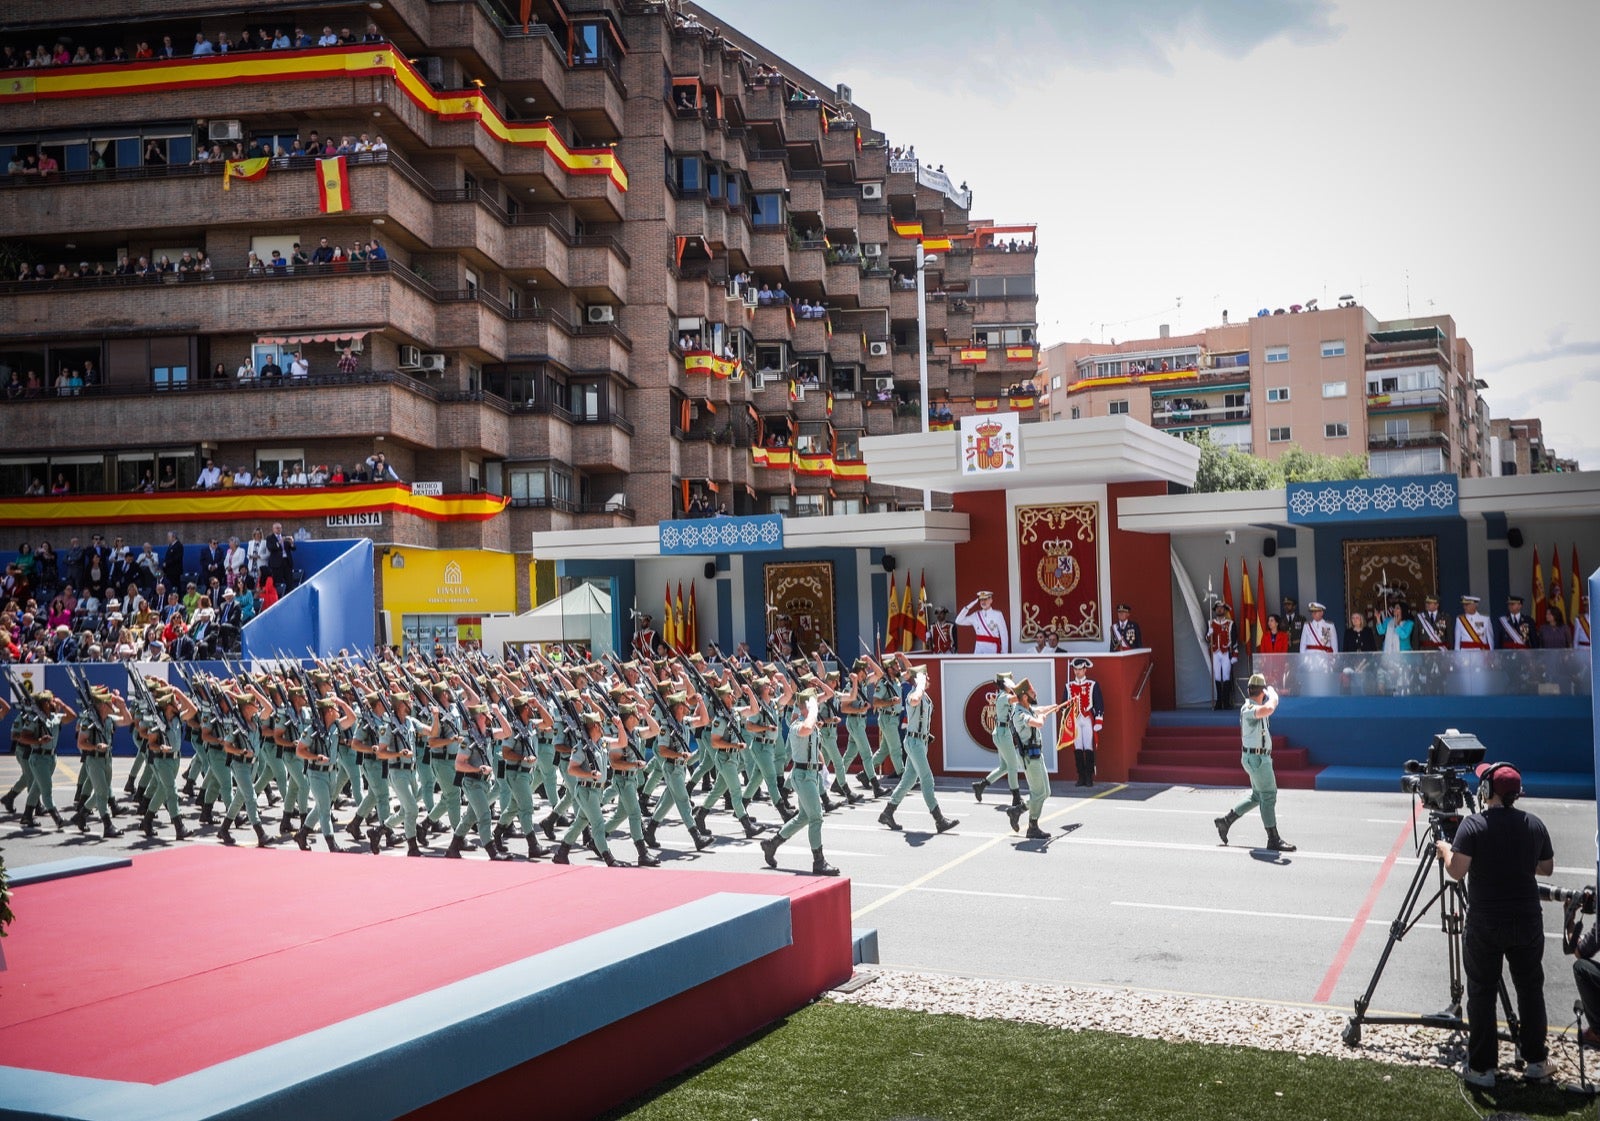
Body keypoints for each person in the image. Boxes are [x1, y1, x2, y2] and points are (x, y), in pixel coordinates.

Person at [1436, 762, 1554, 1086]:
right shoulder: (1534, 824)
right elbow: (1546, 867)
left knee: (1482, 993)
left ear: (1487, 791)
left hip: (1486, 922)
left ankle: (1482, 1069)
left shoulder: (1473, 826)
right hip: (1528, 920)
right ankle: (1536, 1061)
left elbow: (1456, 871)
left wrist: (1446, 849)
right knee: (1530, 989)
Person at [1213, 673, 1294, 852]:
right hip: (1257, 759)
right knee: (1268, 795)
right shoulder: (1249, 708)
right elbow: (1269, 709)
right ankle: (1273, 838)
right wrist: (1274, 697)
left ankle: (1226, 822)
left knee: (1257, 796)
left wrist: (1268, 698)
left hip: (1256, 758)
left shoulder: (1255, 705)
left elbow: (1265, 711)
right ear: (1262, 691)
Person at [761, 686, 837, 875]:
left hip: (811, 774)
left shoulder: (810, 722)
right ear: (804, 707)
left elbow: (814, 744)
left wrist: (823, 767)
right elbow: (806, 729)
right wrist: (812, 711)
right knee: (816, 817)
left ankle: (772, 843)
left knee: (804, 817)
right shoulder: (797, 724)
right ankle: (818, 861)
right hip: (802, 776)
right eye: (812, 703)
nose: (816, 706)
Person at [877, 661, 958, 835]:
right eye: (924, 676)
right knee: (927, 779)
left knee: (908, 780)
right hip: (914, 743)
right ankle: (939, 820)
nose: (928, 678)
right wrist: (919, 683)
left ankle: (888, 812)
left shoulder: (924, 696)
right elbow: (914, 700)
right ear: (918, 679)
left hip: (920, 741)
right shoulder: (914, 694)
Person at [972, 672, 1022, 809]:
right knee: (1013, 766)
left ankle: (981, 785)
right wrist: (1024, 692)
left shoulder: (1004, 695)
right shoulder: (1004, 696)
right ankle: (1016, 798)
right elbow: (1016, 699)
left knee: (1004, 767)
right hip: (1003, 733)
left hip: (1003, 732)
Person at [1062, 657, 1104, 787]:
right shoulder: (1068, 686)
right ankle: (1080, 776)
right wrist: (1066, 712)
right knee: (1078, 748)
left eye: (1080, 669)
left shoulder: (1092, 684)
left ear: (1085, 669)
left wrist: (1098, 721)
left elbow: (1099, 704)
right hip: (1075, 720)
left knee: (1088, 747)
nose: (1077, 672)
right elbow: (1064, 705)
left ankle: (1089, 776)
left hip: (1087, 719)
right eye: (1075, 669)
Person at [956, 590, 1009, 655]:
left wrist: (1004, 654)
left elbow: (1004, 635)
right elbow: (958, 621)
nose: (983, 602)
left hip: (993, 650)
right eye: (981, 600)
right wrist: (969, 606)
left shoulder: (997, 615)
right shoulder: (976, 615)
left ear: (991, 600)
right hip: (979, 651)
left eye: (985, 599)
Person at [1208, 602, 1236, 710]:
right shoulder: (1210, 623)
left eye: (1221, 608)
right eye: (1218, 608)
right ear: (1215, 610)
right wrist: (1209, 634)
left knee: (1226, 676)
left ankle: (1226, 702)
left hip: (1226, 652)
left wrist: (1235, 654)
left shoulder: (1230, 623)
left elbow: (1234, 640)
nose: (1219, 610)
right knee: (1217, 677)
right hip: (1215, 652)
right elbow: (1207, 640)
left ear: (1225, 610)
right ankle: (1219, 702)